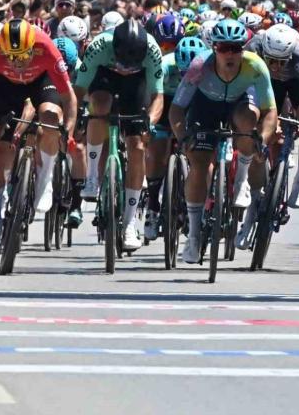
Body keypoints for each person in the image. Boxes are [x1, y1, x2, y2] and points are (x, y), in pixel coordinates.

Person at [169, 19, 277, 264]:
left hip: (238, 105)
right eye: (224, 48)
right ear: (214, 48)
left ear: (243, 49)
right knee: (199, 164)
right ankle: (194, 235)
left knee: (248, 122)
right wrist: (183, 136)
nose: (230, 54)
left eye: (235, 48)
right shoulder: (200, 65)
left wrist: (262, 139)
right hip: (205, 107)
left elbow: (270, 111)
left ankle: (241, 181)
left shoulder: (255, 66)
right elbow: (177, 108)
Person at [0, 19, 78, 250]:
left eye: (22, 56)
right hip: (6, 86)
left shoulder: (46, 47)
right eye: (11, 57)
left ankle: (45, 179)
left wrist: (68, 130)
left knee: (50, 118)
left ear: (33, 47)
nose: (17, 62)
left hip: (42, 82)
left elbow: (69, 97)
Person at [235, 24, 299, 248]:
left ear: (290, 56)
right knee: (258, 140)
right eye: (272, 61)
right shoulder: (253, 50)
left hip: (295, 83)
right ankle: (252, 209)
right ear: (264, 53)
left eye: (282, 62)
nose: (277, 67)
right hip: (263, 83)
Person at [74, 20, 164, 251]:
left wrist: (149, 122)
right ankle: (92, 176)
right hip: (104, 78)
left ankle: (130, 223)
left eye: (130, 64)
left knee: (137, 147)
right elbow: (79, 90)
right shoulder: (99, 45)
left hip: (136, 86)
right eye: (122, 62)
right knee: (99, 106)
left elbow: (157, 97)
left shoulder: (153, 51)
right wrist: (77, 116)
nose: (125, 67)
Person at [143, 36, 211, 241]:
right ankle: (152, 206)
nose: (185, 78)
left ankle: (197, 205)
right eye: (182, 73)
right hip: (167, 101)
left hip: (194, 103)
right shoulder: (165, 64)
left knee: (200, 151)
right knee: (156, 150)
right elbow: (151, 94)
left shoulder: (208, 67)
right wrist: (148, 121)